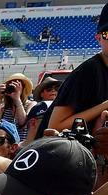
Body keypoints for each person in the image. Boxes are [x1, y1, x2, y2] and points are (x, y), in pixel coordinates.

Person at [44, 4, 108, 132]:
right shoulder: (89, 71)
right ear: (98, 37)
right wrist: (105, 105)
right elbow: (54, 127)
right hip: (64, 150)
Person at [0, 74, 34, 141]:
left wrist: (17, 99)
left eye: (17, 84)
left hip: (23, 146)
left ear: (23, 88)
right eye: (10, 84)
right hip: (7, 146)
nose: (14, 86)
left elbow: (23, 123)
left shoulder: (30, 104)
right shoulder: (4, 107)